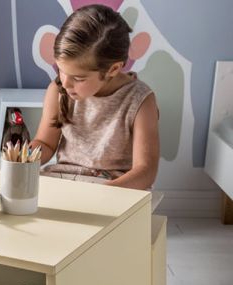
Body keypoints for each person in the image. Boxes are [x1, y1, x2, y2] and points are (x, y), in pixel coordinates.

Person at [31, 3, 159, 190]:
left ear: (113, 69)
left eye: (78, 78)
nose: (65, 83)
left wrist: (105, 193)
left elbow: (146, 171)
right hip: (63, 183)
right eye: (61, 70)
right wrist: (24, 157)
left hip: (115, 188)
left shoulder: (140, 100)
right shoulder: (58, 90)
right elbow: (45, 143)